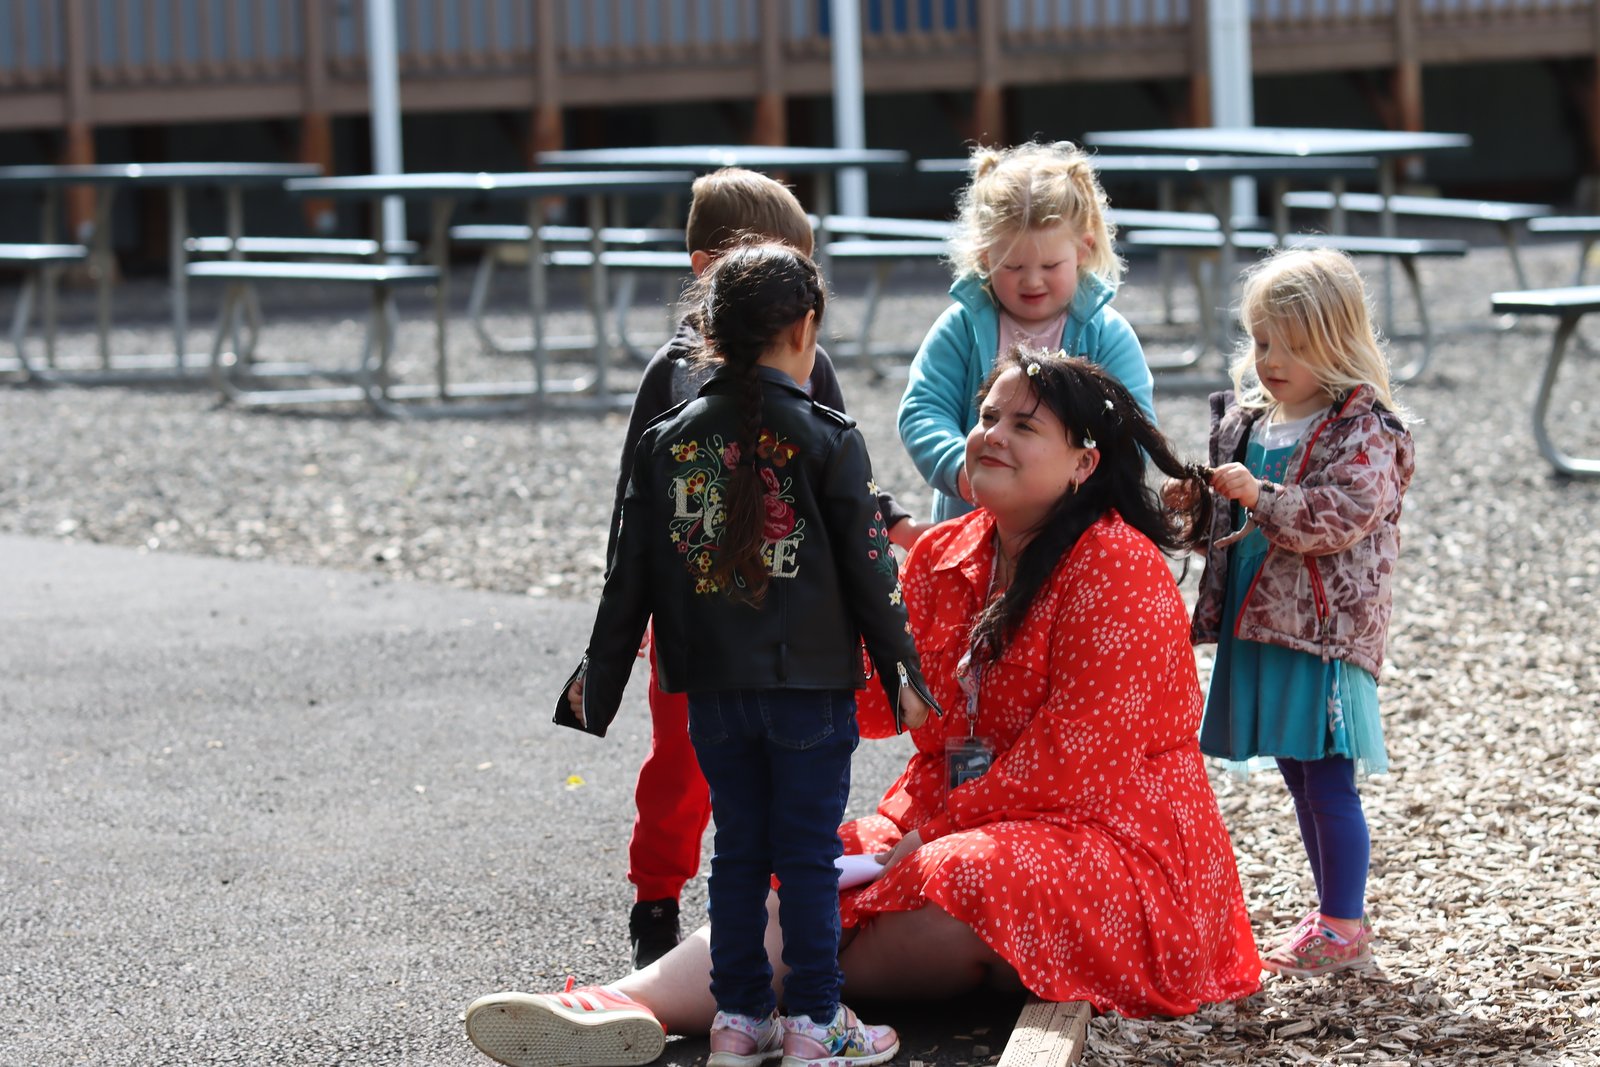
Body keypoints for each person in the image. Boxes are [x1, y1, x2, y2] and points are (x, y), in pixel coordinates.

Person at [463, 349, 1261, 1067]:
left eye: (1025, 425)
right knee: (812, 865)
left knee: (959, 877)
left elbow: (1077, 762)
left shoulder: (1117, 564)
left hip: (1111, 835)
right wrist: (799, 604)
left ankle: (760, 1000)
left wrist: (927, 837)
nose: (992, 434)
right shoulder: (948, 552)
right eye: (987, 416)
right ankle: (618, 1000)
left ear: (1085, 462)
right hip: (952, 808)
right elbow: (884, 709)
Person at [486, 242, 938, 1067]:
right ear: (804, 329)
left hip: (711, 690)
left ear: (711, 333)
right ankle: (813, 1018)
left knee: (737, 849)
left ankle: (738, 1019)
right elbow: (872, 568)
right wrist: (904, 671)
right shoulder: (828, 437)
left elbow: (632, 569)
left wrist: (603, 673)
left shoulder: (669, 438)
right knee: (804, 852)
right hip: (809, 684)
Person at [610, 167, 927, 971]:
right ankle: (656, 898)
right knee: (681, 764)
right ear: (704, 271)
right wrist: (632, 609)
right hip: (695, 611)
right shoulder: (671, 377)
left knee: (788, 772)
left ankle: (788, 923)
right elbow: (636, 501)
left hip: (789, 618)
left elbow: (840, 464)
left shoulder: (807, 365)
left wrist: (890, 522)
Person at [1169, 247, 1415, 978]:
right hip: (1262, 626)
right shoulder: (1251, 423)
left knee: (1328, 775)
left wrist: (1258, 498)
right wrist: (1199, 507)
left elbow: (1338, 516)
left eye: (1291, 344)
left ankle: (1344, 921)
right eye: (1262, 340)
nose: (1270, 359)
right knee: (1297, 771)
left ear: (1334, 344)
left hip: (1322, 632)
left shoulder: (1361, 429)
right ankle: (1330, 910)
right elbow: (1230, 520)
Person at [897, 140, 1157, 524]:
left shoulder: (1105, 335)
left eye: (1051, 265)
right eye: (1013, 267)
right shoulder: (961, 328)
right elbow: (924, 409)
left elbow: (1135, 431)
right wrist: (960, 468)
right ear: (985, 256)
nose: (1032, 281)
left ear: (1083, 250)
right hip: (973, 520)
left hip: (1075, 523)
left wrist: (1086, 482)